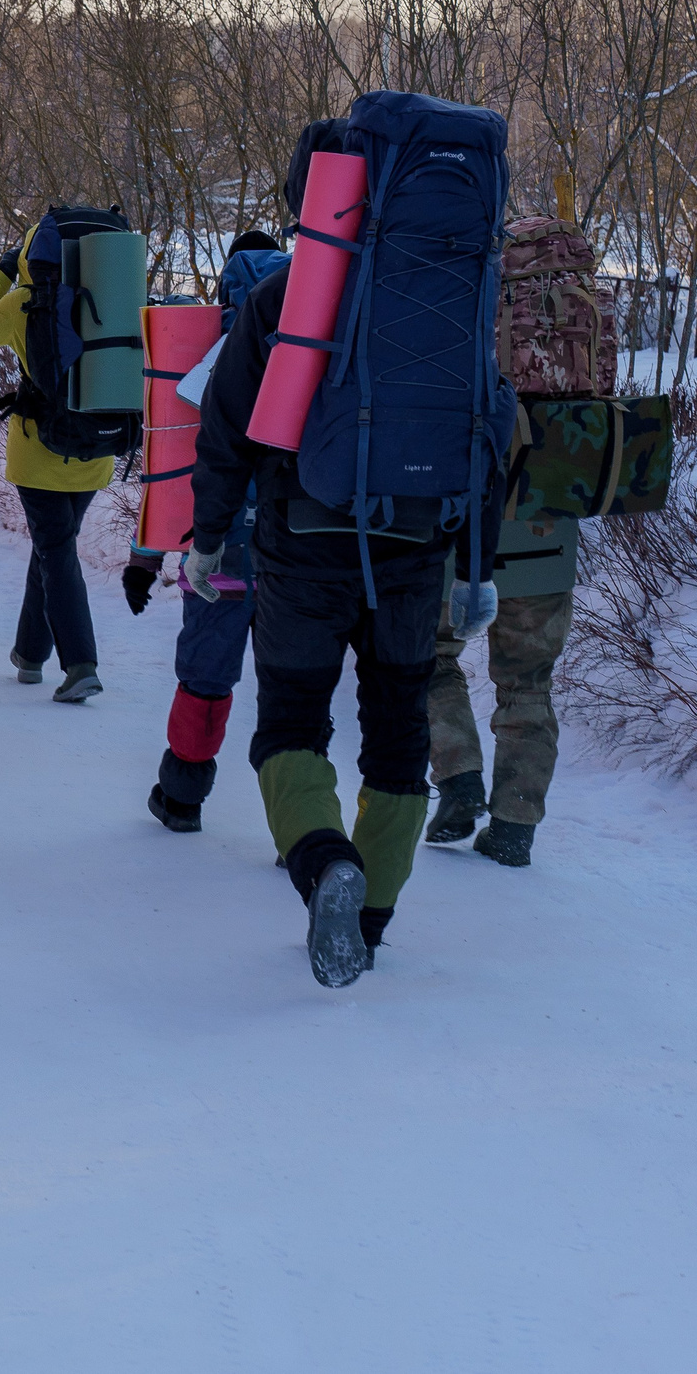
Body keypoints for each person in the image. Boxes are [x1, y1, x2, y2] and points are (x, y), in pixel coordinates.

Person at [188, 119, 504, 988]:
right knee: (398, 725)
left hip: (302, 537)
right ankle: (372, 916)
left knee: (291, 720)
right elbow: (489, 425)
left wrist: (207, 537)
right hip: (415, 546)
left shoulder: (286, 296)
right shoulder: (450, 302)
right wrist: (479, 565)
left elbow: (224, 431)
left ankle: (326, 865)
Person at [128, 231, 286, 830]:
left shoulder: (209, 350)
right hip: (297, 556)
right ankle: (299, 823)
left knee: (205, 674)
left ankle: (182, 797)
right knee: (295, 689)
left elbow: (170, 467)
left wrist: (144, 559)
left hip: (217, 550)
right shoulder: (317, 346)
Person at [0, 240, 116, 702]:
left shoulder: (25, 299)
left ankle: (81, 663)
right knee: (53, 546)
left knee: (56, 550)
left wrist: (2, 273)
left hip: (39, 451)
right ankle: (29, 654)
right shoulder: (110, 294)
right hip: (97, 447)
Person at [422, 514, 579, 866]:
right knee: (529, 684)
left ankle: (459, 777)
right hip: (545, 545)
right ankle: (514, 828)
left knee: (426, 660)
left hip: (451, 543)